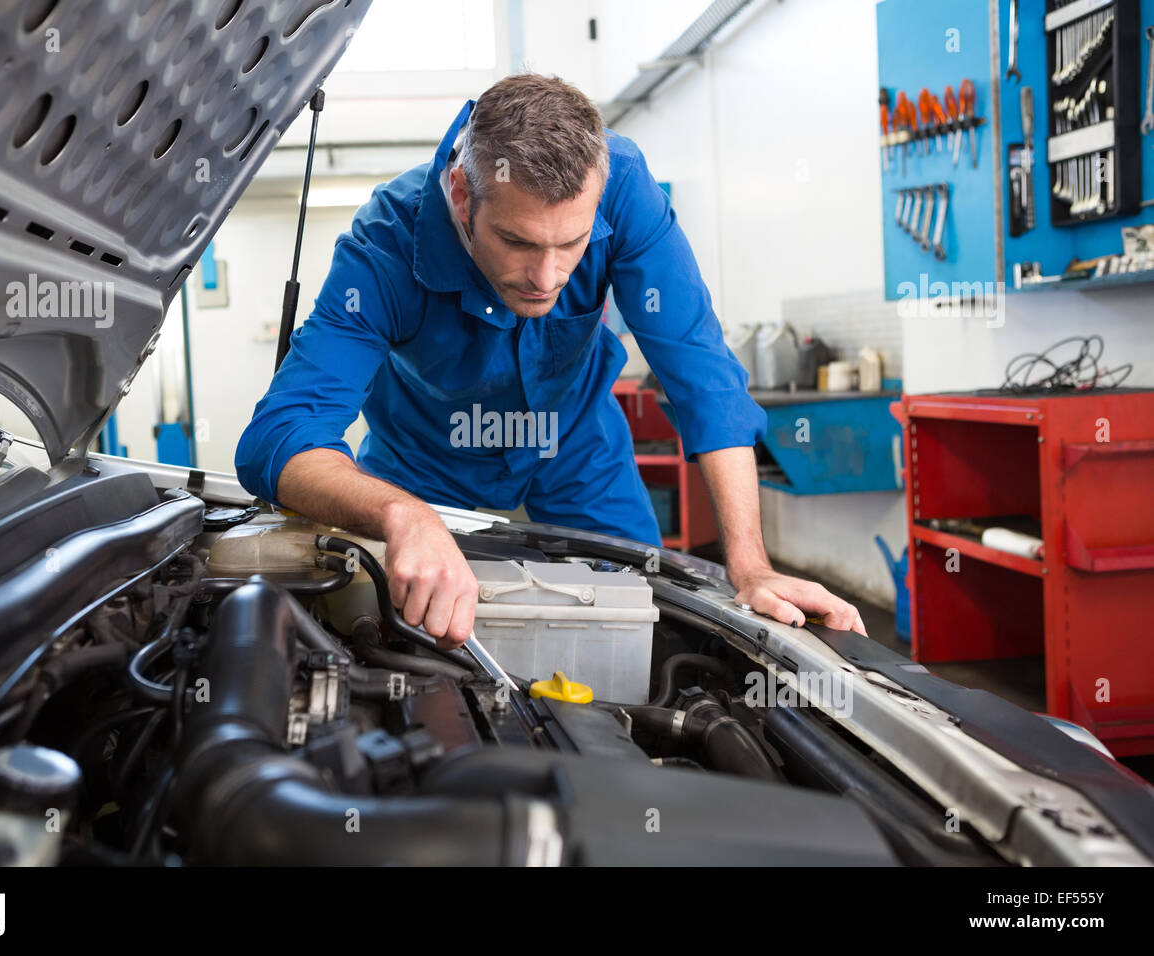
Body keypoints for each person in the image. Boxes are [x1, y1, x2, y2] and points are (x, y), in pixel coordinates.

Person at [237, 74, 866, 646]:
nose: (546, 276)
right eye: (516, 241)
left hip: (576, 448)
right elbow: (280, 436)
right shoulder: (385, 246)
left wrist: (751, 566)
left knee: (639, 625)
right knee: (403, 633)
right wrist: (399, 513)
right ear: (461, 194)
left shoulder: (623, 184)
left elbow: (702, 374)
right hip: (424, 464)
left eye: (573, 242)